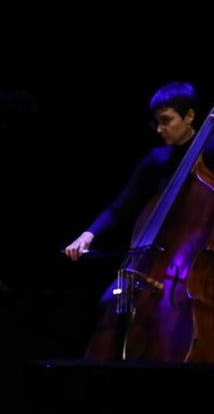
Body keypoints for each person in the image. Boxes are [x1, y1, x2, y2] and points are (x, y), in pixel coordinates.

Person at [62, 81, 214, 361]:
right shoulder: (157, 159)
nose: (160, 129)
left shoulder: (210, 155)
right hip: (152, 266)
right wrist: (87, 235)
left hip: (191, 270)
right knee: (108, 303)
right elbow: (121, 207)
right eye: (157, 122)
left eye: (167, 121)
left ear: (190, 116)